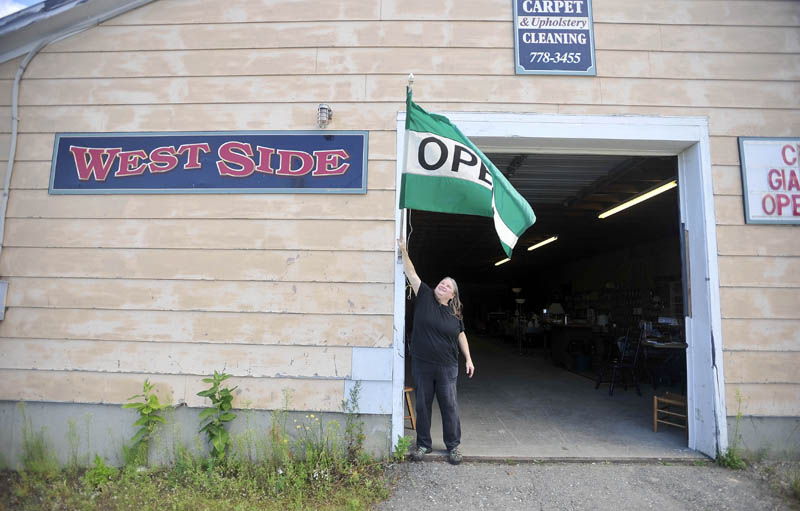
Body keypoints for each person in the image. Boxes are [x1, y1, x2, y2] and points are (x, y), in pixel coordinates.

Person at [398, 237, 475, 465]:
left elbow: (461, 335)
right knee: (423, 406)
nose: (443, 285)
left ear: (453, 294)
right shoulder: (424, 296)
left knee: (449, 406)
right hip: (422, 364)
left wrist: (468, 359)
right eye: (442, 282)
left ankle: (453, 447)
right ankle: (423, 444)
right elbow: (411, 273)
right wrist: (403, 250)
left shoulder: (455, 314)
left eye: (448, 285)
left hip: (447, 367)